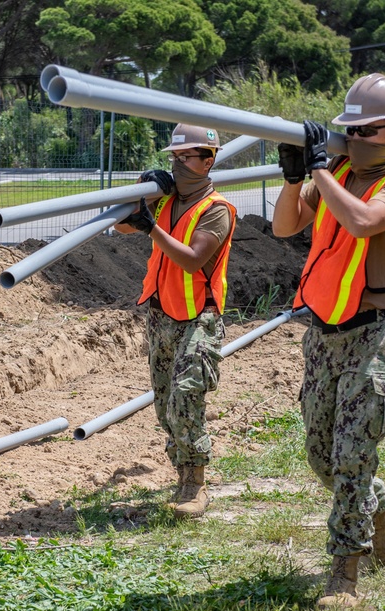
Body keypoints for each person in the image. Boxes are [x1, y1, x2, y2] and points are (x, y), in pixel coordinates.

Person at [272, 73, 385, 608]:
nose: (356, 140)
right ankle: (384, 517)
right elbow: (284, 228)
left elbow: (363, 222)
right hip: (324, 333)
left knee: (353, 453)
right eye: (351, 131)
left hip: (374, 334)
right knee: (321, 452)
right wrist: (296, 179)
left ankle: (345, 576)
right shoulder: (335, 175)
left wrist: (320, 168)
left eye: (369, 131)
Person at [115, 123, 237, 520]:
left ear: (209, 160)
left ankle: (195, 484)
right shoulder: (166, 201)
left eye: (187, 157)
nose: (179, 164)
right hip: (161, 314)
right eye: (175, 157)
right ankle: (181, 472)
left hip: (198, 317)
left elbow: (191, 258)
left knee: (187, 395)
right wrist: (140, 190)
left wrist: (151, 227)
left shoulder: (216, 209)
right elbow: (119, 224)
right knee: (166, 404)